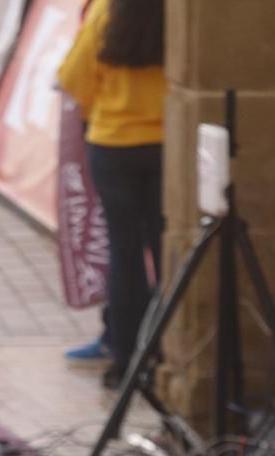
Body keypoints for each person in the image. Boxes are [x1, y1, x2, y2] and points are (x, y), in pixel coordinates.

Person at [58, 0, 166, 389]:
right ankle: (167, 352)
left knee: (125, 254)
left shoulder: (107, 10)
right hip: (165, 143)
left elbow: (74, 76)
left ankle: (124, 358)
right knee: (168, 252)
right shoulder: (179, 12)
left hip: (113, 143)